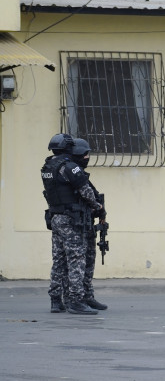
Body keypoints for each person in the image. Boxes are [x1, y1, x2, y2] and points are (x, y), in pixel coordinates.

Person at [41, 133, 105, 315]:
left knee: (59, 260)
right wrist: (97, 206)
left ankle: (56, 300)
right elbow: (86, 191)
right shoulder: (69, 167)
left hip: (56, 217)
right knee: (76, 258)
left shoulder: (48, 166)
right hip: (71, 219)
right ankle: (76, 300)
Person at [72, 138, 108, 311]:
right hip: (77, 221)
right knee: (79, 261)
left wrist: (100, 210)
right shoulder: (72, 170)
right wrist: (99, 207)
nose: (87, 157)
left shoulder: (70, 170)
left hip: (84, 219)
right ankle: (78, 299)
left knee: (86, 260)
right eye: (85, 154)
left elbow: (91, 193)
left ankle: (86, 296)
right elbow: (88, 195)